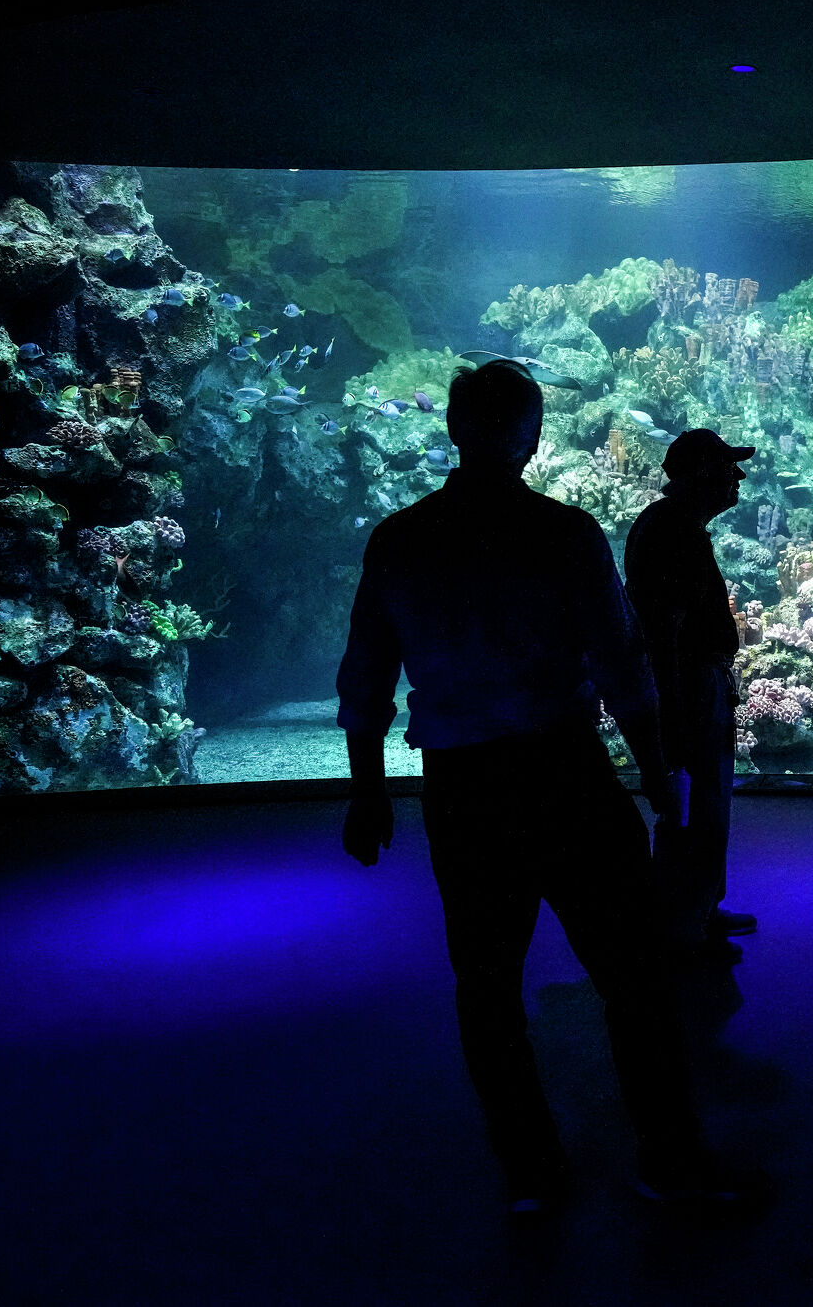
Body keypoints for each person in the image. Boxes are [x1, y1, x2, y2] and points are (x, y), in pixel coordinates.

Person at [337, 359, 731, 1215]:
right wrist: (657, 770)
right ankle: (667, 1158)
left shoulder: (399, 539)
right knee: (632, 970)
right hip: (564, 774)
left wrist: (367, 789)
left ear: (450, 427)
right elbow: (624, 668)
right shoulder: (564, 533)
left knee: (486, 986)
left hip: (463, 785)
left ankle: (531, 1172)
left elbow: (366, 676)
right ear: (534, 435)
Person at [624, 429, 757, 960]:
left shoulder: (675, 525)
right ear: (702, 476)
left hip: (696, 684)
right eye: (728, 469)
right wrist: (674, 710)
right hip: (688, 689)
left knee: (704, 801)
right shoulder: (675, 531)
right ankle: (683, 928)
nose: (738, 478)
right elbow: (666, 631)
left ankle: (698, 908)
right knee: (695, 804)